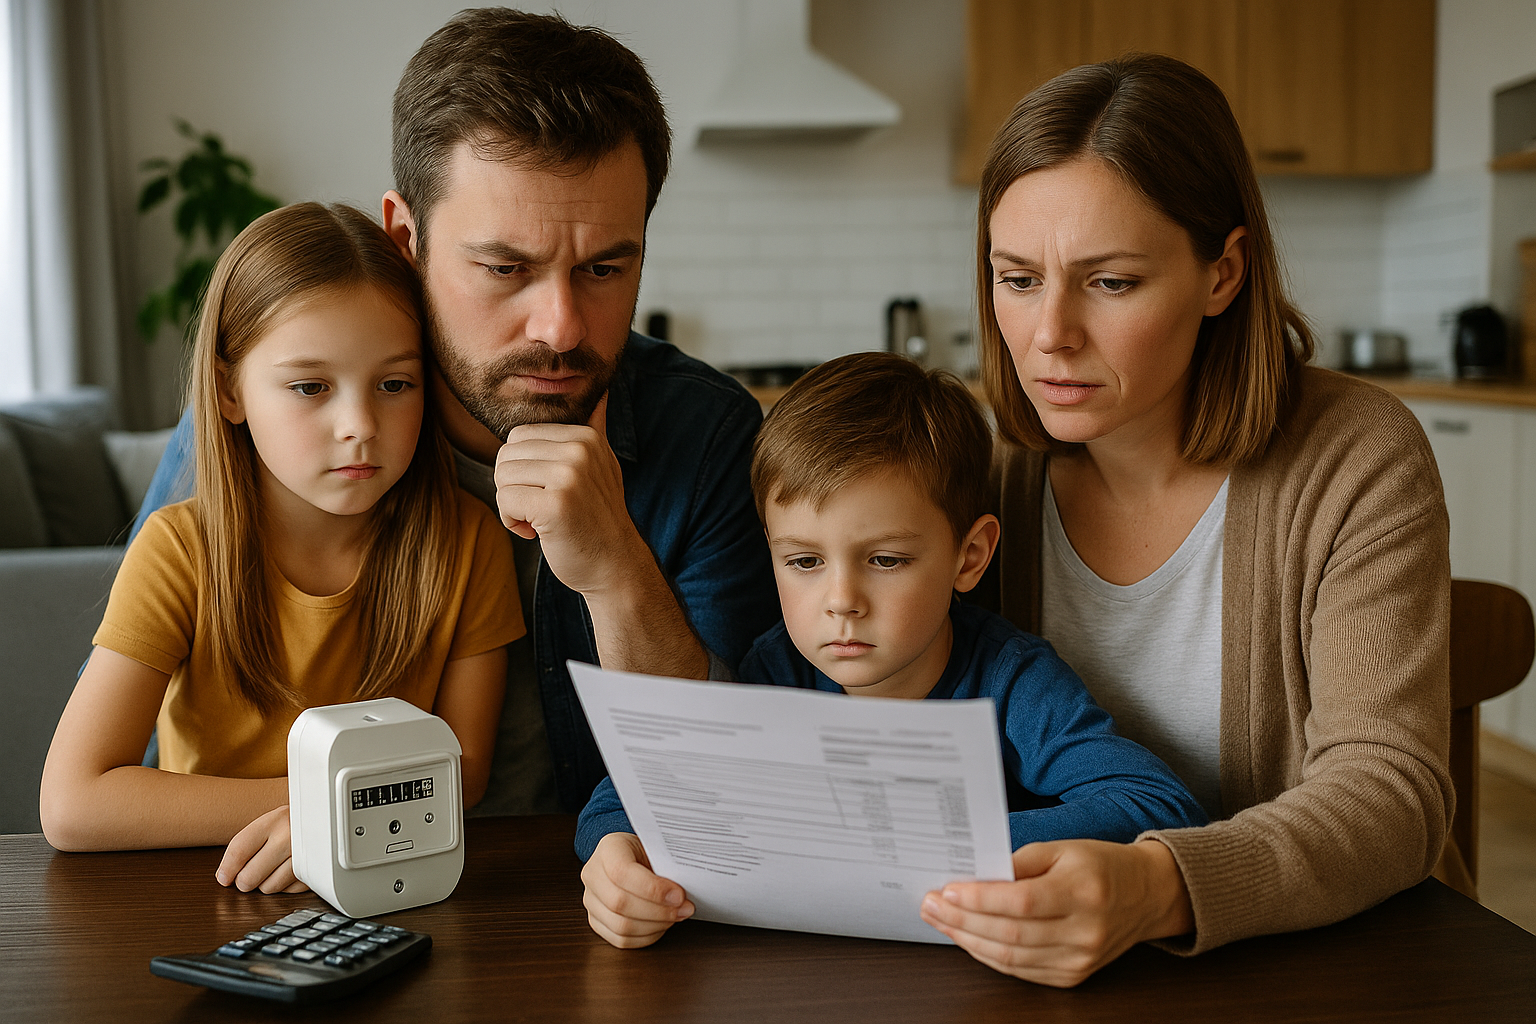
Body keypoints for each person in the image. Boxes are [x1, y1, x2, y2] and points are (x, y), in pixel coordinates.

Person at [130, 9, 780, 816]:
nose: (562, 327)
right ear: (405, 237)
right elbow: (149, 752)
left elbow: (733, 791)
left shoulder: (711, 436)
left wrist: (617, 572)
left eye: (605, 268)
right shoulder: (257, 430)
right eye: (506, 268)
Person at [914, 54, 1454, 987]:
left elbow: (1391, 795)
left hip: (1330, 969)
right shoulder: (980, 477)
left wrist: (1156, 884)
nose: (1050, 335)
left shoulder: (1353, 456)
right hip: (1041, 970)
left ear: (1222, 273)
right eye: (1017, 278)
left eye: (1111, 282)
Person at [576, 352, 1207, 949]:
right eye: (803, 561)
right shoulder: (772, 672)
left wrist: (942, 850)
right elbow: (628, 791)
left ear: (970, 557)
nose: (841, 600)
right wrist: (613, 854)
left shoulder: (1012, 679)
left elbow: (1157, 803)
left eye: (885, 560)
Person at [39, 202, 522, 892]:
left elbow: (464, 774)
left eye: (395, 384)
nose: (358, 425)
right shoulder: (180, 551)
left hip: (389, 889)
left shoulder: (470, 540)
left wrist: (332, 818)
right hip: (205, 890)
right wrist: (322, 804)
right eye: (309, 387)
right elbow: (72, 804)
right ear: (229, 389)